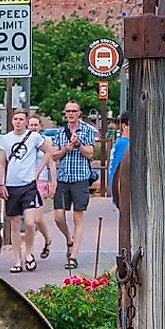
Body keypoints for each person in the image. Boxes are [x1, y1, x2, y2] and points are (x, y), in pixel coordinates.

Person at [47, 100, 99, 271]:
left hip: (80, 178)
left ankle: (74, 256)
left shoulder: (88, 131)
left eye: (74, 111)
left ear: (79, 113)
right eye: (68, 111)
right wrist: (66, 149)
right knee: (58, 216)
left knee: (78, 216)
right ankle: (69, 239)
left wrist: (78, 145)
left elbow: (90, 153)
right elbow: (54, 156)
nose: (70, 114)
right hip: (63, 178)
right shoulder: (60, 133)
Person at [0, 107, 51, 272]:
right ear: (12, 121)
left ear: (26, 121)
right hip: (11, 184)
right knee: (14, 223)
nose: (18, 122)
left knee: (29, 222)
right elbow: (1, 162)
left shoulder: (33, 137)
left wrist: (38, 171)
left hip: (28, 184)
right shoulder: (5, 139)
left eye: (21, 119)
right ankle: (17, 260)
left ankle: (29, 253)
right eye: (16, 119)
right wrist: (1, 183)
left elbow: (49, 151)